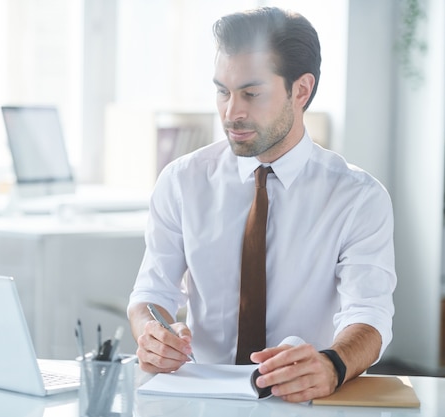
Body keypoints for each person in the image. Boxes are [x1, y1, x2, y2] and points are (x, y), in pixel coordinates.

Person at [127, 6, 396, 403]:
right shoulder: (182, 181)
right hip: (200, 398)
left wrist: (333, 364)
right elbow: (152, 293)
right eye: (223, 91)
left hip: (305, 401)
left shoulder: (358, 197)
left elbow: (369, 316)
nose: (231, 112)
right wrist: (151, 333)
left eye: (251, 93)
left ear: (301, 90)